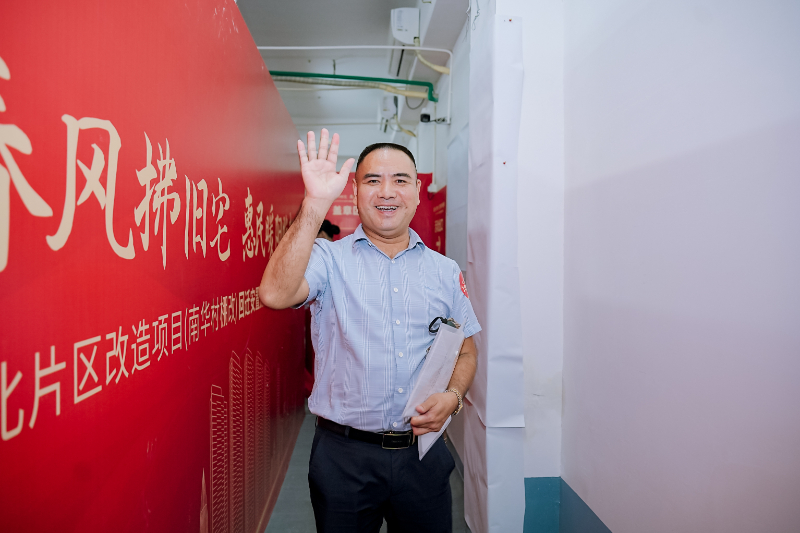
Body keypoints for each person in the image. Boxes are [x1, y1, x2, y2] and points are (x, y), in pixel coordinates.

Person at [258, 129, 480, 533]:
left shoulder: (445, 272)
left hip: (423, 454)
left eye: (400, 180)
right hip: (344, 458)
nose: (387, 192)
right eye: (373, 180)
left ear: (417, 193)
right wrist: (314, 203)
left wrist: (453, 397)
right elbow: (274, 294)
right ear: (356, 191)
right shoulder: (328, 259)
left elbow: (465, 351)